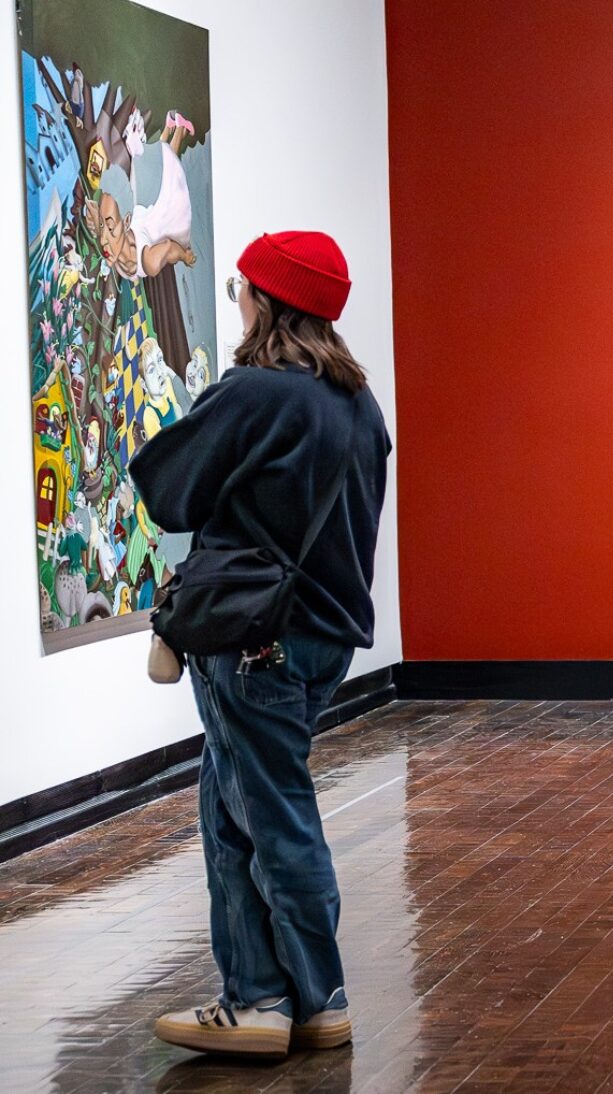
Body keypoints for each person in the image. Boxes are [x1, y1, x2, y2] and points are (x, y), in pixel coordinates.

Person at [129, 231, 391, 1057]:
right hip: (323, 641)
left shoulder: (255, 392)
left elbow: (166, 488)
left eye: (241, 285)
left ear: (267, 302)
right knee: (230, 806)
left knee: (273, 816)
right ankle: (264, 997)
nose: (235, 297)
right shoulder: (360, 406)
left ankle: (313, 995)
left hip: (254, 642)